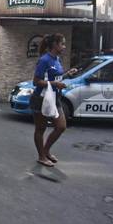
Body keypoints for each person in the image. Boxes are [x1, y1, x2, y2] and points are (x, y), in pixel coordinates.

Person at [29, 34, 77, 167]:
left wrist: (67, 74)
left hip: (54, 97)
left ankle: (45, 151)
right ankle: (41, 156)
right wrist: (55, 84)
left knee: (61, 126)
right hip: (41, 98)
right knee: (40, 129)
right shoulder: (44, 60)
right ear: (55, 45)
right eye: (62, 44)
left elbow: (56, 76)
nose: (64, 46)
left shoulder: (57, 59)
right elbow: (36, 81)